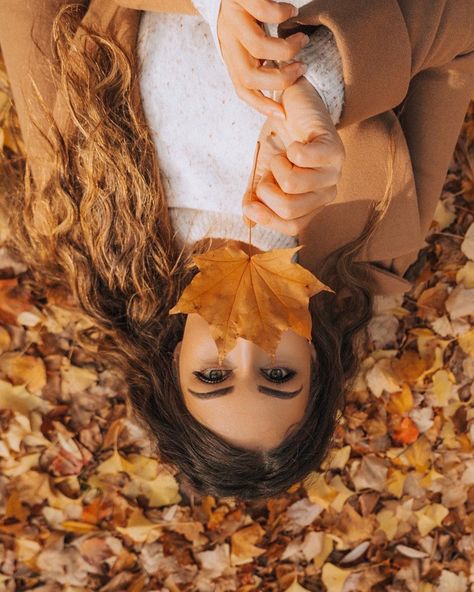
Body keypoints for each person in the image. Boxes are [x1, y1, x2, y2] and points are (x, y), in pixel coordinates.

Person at [0, 0, 472, 501]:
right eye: (277, 374)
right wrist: (327, 85)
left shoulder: (79, 222)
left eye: (212, 374)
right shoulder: (378, 243)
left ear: (175, 360)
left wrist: (210, 5)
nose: (245, 341)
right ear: (314, 360)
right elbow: (461, 34)